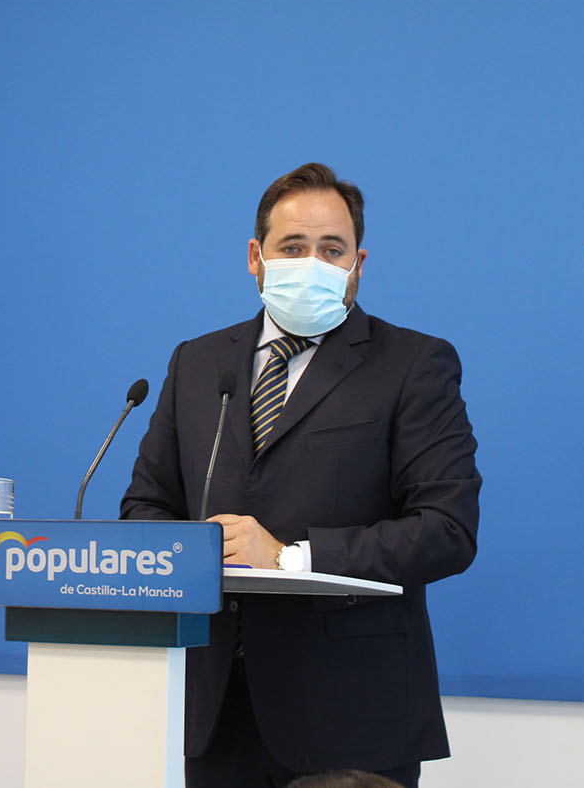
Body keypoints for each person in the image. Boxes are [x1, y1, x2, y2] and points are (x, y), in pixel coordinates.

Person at [120, 163, 480, 788]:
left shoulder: (414, 364)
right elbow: (145, 506)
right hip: (214, 707)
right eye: (293, 247)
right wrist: (196, 552)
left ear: (357, 263)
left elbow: (446, 530)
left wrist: (288, 557)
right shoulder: (199, 362)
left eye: (331, 249)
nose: (312, 262)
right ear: (255, 257)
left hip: (351, 714)